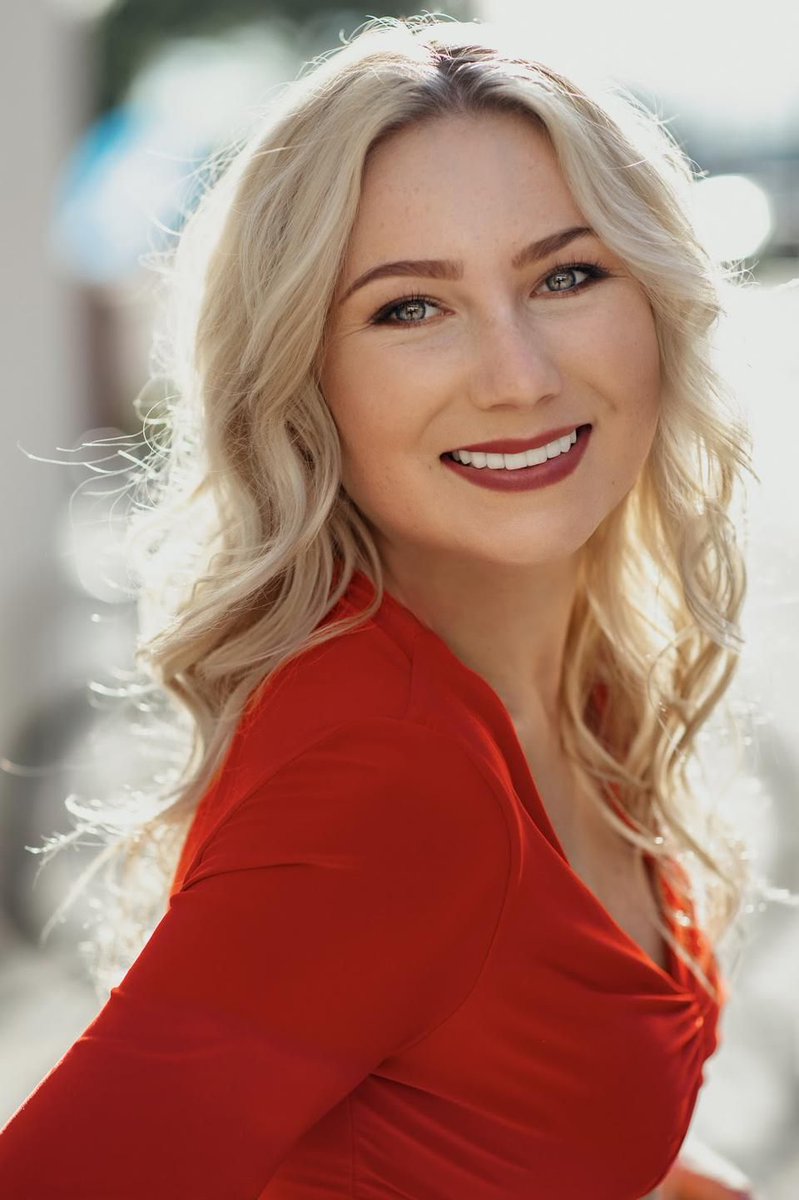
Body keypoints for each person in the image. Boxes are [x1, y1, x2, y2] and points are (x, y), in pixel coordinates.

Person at [0, 14, 759, 1199]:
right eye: (410, 307)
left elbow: (514, 1121)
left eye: (566, 275)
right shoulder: (390, 777)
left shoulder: (574, 683)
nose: (517, 374)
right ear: (304, 384)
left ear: (657, 302)